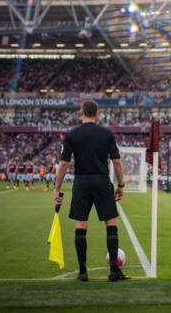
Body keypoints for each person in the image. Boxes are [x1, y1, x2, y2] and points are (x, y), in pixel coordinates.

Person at [54, 100, 128, 282]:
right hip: (102, 181)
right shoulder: (106, 133)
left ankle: (82, 272)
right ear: (97, 114)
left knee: (81, 226)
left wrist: (57, 189)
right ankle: (114, 271)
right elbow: (117, 162)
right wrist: (120, 185)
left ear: (81, 113)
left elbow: (64, 163)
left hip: (81, 182)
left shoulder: (71, 134)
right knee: (111, 223)